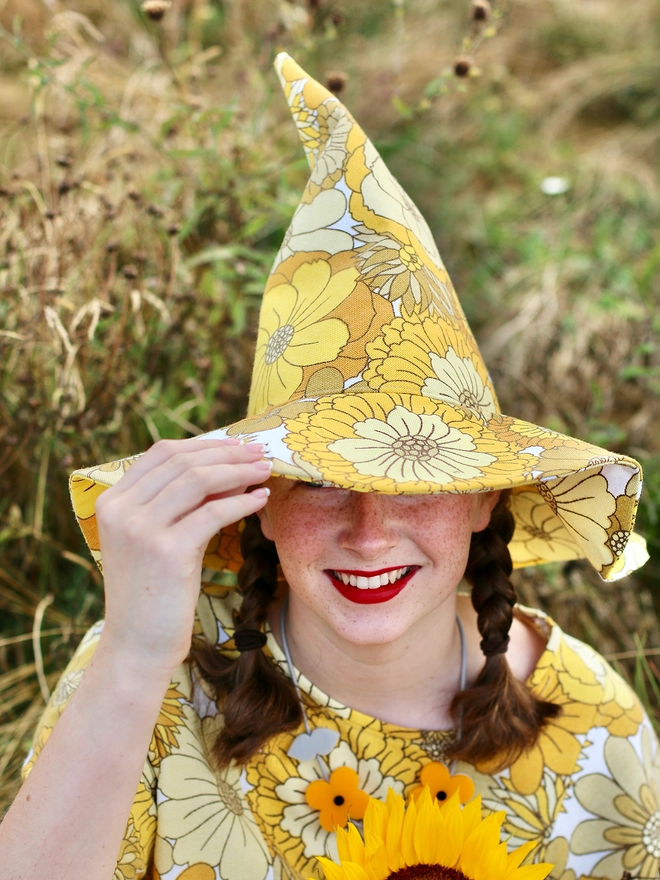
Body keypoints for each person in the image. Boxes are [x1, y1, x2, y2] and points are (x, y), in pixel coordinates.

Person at [0, 54, 657, 880]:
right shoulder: (153, 678)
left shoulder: (597, 735)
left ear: (488, 498)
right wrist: (132, 656)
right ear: (256, 500)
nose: (369, 531)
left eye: (420, 478)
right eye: (317, 478)